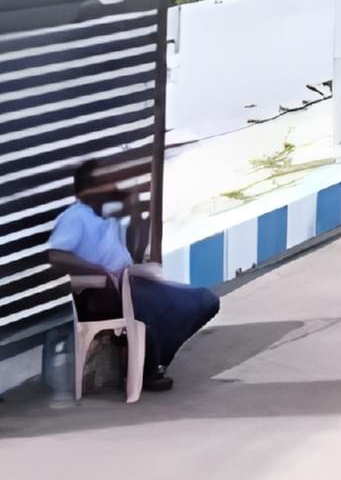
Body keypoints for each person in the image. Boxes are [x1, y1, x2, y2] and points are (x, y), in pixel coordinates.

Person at [46, 159, 219, 393]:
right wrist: (97, 271)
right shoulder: (75, 217)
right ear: (89, 187)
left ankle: (155, 360)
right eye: (107, 181)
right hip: (102, 293)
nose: (114, 185)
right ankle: (148, 369)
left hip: (129, 284)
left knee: (204, 301)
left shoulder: (105, 219)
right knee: (169, 308)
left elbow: (135, 254)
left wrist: (135, 213)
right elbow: (56, 256)